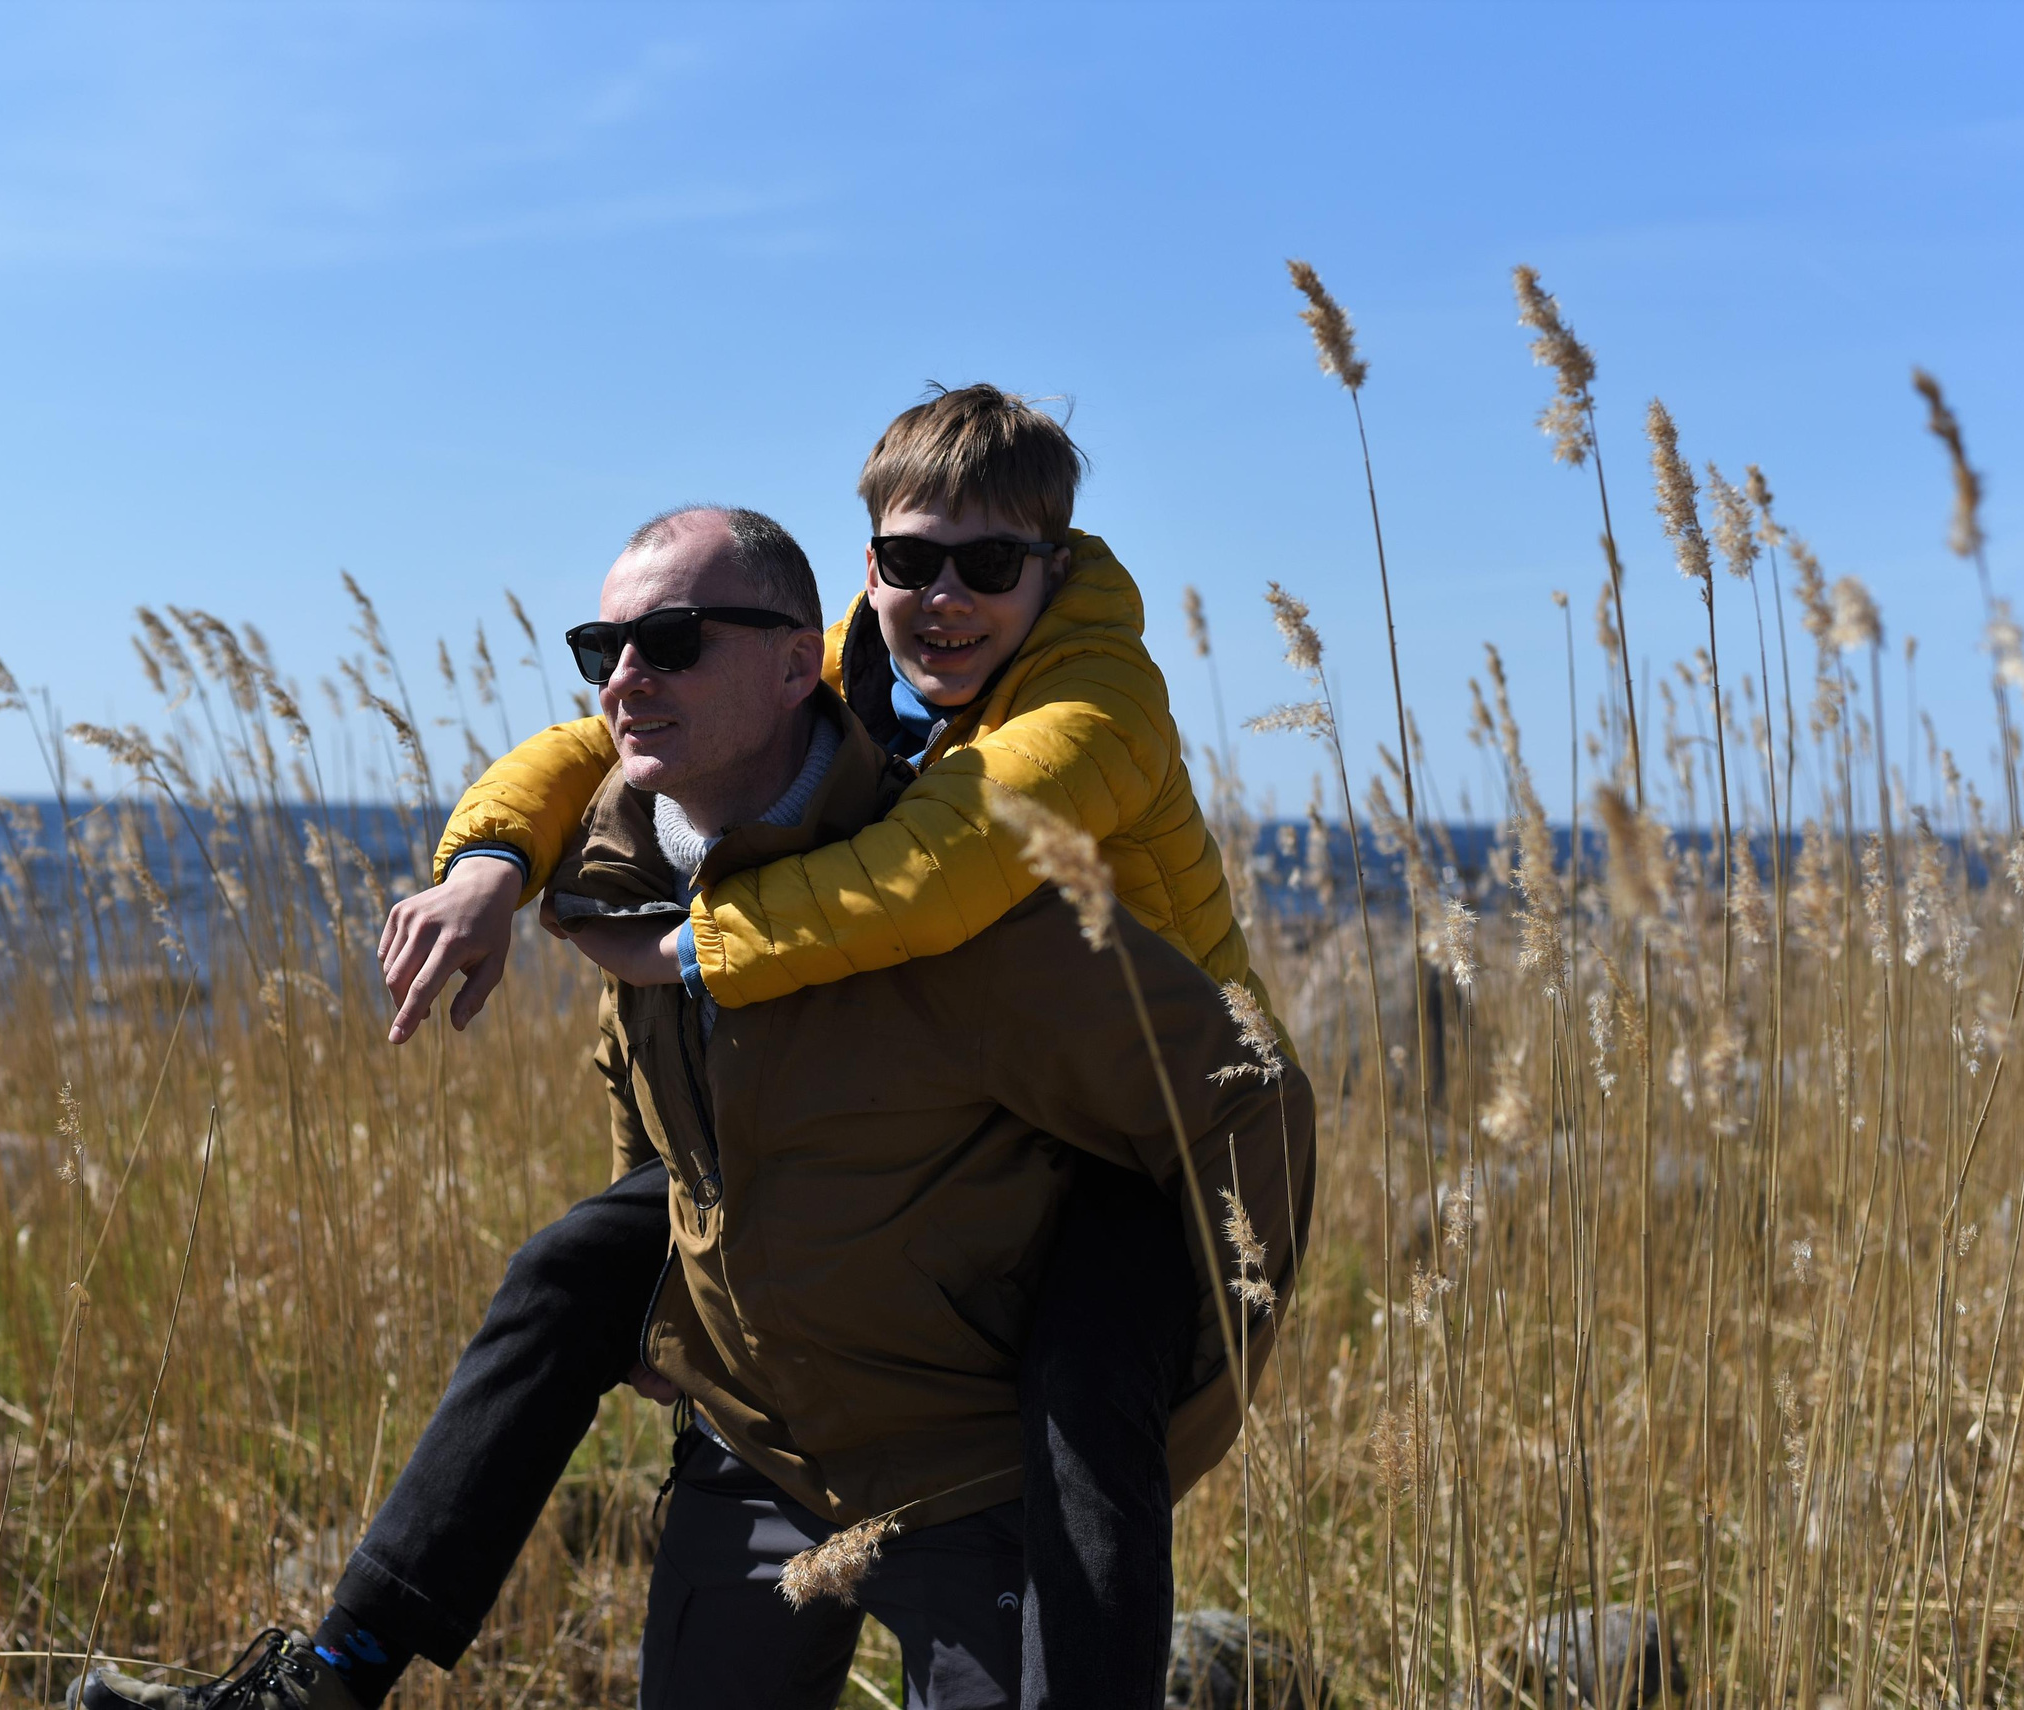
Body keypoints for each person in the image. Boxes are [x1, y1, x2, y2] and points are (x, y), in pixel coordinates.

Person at [74, 388, 1293, 1708]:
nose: (941, 597)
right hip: (928, 1128)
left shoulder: (1092, 703)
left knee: (1083, 1399)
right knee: (573, 1265)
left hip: (1142, 1120)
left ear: (1052, 565)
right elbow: (598, 744)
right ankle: (323, 1680)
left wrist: (683, 947)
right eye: (906, 561)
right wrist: (489, 862)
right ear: (867, 560)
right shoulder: (836, 672)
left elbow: (940, 872)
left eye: (986, 564)